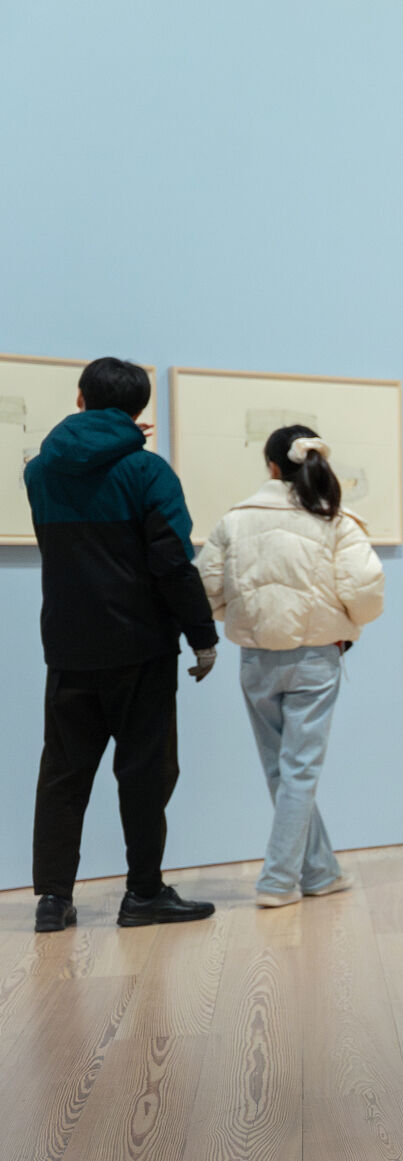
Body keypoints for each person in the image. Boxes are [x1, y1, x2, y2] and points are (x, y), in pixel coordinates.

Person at [23, 357, 220, 932]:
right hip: (141, 648)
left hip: (68, 647)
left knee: (63, 774)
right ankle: (144, 894)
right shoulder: (147, 472)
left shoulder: (40, 472)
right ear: (140, 408)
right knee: (146, 774)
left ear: (79, 397)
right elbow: (173, 564)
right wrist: (202, 637)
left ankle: (53, 899)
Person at [196, 424, 385, 907]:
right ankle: (279, 881)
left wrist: (243, 619)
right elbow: (365, 591)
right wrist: (346, 625)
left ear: (272, 466)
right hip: (316, 658)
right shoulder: (335, 520)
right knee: (297, 772)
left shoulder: (235, 520)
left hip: (256, 659)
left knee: (281, 770)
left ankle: (319, 871)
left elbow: (207, 589)